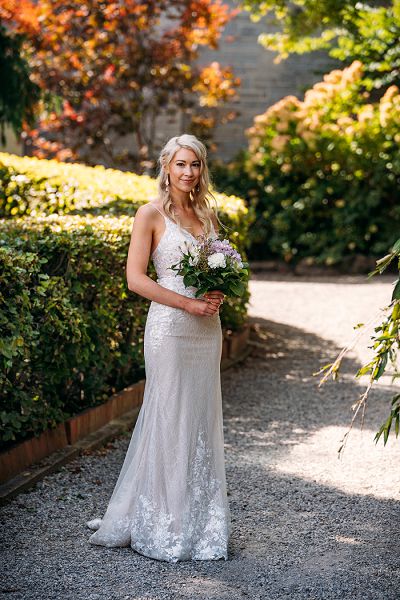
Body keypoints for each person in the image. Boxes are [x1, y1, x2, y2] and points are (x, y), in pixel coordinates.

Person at [86, 134, 231, 562]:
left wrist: (217, 292)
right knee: (169, 414)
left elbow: (214, 267)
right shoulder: (149, 214)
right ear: (166, 167)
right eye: (181, 164)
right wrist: (187, 302)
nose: (189, 172)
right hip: (169, 328)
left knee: (200, 417)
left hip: (206, 330)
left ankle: (200, 519)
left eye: (196, 165)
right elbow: (136, 279)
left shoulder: (207, 214)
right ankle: (161, 520)